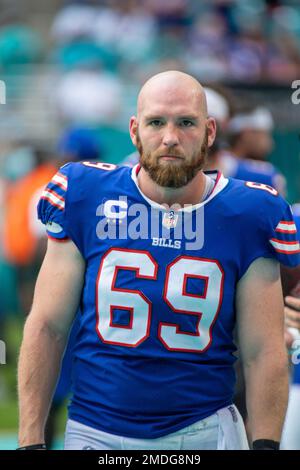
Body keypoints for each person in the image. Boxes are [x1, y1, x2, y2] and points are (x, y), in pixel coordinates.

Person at [18, 71, 299, 451]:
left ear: (210, 132)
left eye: (186, 122)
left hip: (202, 429)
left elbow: (262, 349)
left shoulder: (251, 212)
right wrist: (30, 438)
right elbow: (47, 326)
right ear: (134, 131)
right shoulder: (84, 194)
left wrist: (265, 444)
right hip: (94, 430)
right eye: (156, 122)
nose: (170, 137)